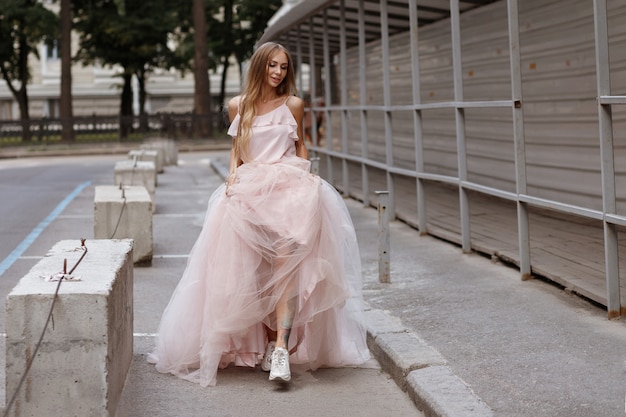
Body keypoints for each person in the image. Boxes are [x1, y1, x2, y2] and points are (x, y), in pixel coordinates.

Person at [148, 42, 370, 387]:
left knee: (286, 267)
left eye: (284, 67)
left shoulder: (294, 104)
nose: (279, 72)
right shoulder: (240, 106)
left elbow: (300, 145)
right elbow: (237, 150)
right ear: (259, 67)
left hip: (289, 191)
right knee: (252, 275)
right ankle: (266, 344)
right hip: (250, 193)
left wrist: (307, 175)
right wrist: (232, 177)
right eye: (272, 66)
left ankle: (281, 348)